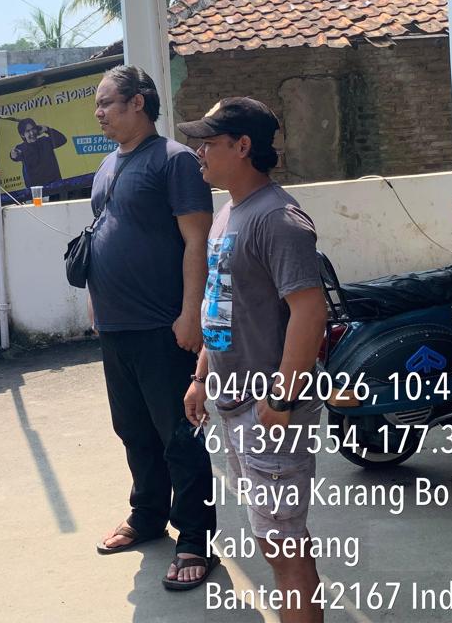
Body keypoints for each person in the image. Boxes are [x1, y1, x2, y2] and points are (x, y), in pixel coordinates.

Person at [180, 98, 329, 623]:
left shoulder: (278, 219)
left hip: (268, 410)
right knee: (271, 540)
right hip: (235, 402)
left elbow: (310, 311)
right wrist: (202, 376)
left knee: (285, 548)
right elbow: (221, 304)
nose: (199, 153)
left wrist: (282, 398)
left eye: (208, 143)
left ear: (243, 146)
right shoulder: (228, 213)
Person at [87, 65, 218, 590]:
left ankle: (195, 539)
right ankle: (147, 514)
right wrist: (97, 303)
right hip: (115, 324)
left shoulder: (174, 160)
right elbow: (105, 233)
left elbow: (196, 241)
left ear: (138, 102)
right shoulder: (107, 164)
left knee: (179, 435)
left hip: (163, 324)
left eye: (106, 103)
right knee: (133, 429)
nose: (98, 113)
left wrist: (191, 312)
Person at [8, 118, 68, 191]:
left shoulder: (45, 141)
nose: (32, 133)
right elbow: (15, 156)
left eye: (33, 129)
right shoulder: (22, 148)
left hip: (55, 185)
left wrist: (47, 129)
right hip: (37, 190)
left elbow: (62, 139)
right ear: (22, 135)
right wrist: (13, 154)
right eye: (28, 131)